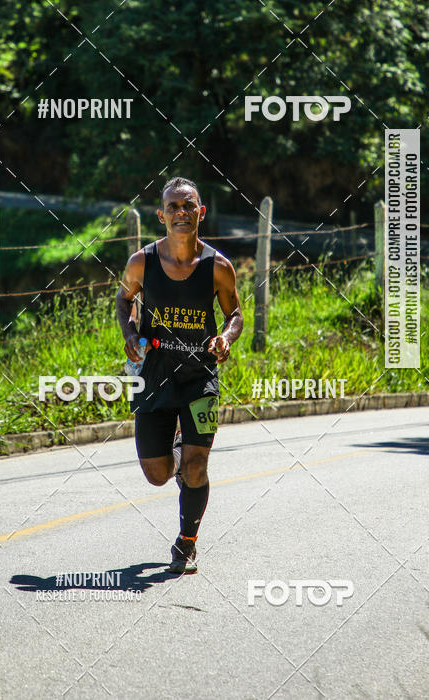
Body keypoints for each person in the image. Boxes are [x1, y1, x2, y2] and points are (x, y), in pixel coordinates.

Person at [115, 176, 243, 574]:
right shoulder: (142, 262)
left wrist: (225, 338)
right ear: (161, 215)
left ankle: (187, 543)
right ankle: (174, 449)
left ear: (200, 212)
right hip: (155, 375)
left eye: (189, 206)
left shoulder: (218, 267)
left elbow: (235, 315)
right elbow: (123, 299)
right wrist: (131, 332)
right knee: (157, 475)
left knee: (197, 466)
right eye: (173, 207)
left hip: (199, 376)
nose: (181, 213)